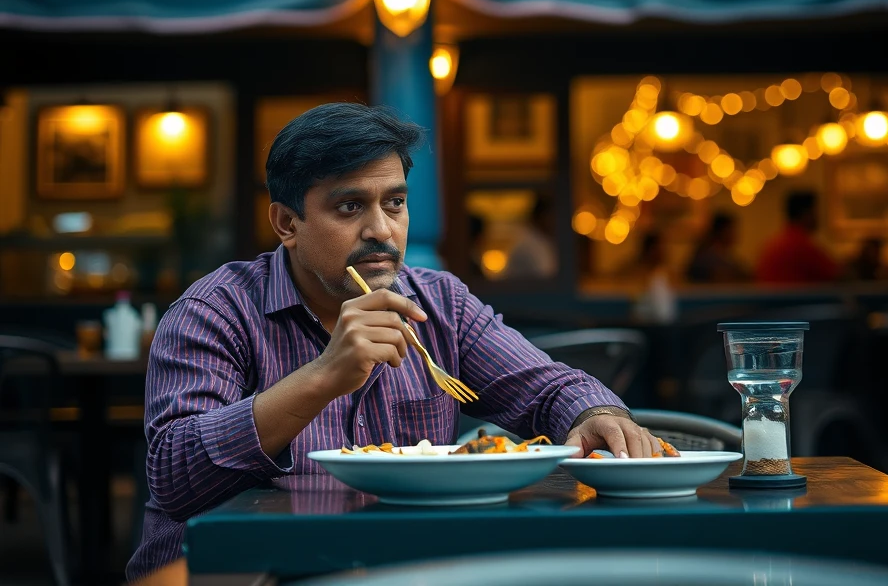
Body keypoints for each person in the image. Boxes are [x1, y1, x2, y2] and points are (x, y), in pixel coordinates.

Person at [127, 103, 662, 581]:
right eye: (349, 207)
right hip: (240, 571)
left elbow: (545, 390)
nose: (381, 230)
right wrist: (320, 378)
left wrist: (592, 411)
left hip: (401, 567)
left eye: (395, 203)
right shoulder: (214, 311)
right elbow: (176, 477)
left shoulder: (440, 304)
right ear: (287, 222)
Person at [755, 191, 840, 284]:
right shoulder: (801, 245)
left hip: (772, 298)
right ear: (806, 214)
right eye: (815, 212)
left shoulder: (773, 243)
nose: (819, 217)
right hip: (792, 298)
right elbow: (837, 275)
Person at [687, 213, 746, 284]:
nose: (735, 234)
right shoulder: (706, 258)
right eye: (731, 230)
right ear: (722, 232)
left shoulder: (726, 257)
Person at [633, 231, 676, 324]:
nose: (664, 250)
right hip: (650, 328)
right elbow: (664, 314)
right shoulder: (643, 276)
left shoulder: (663, 275)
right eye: (660, 247)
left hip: (659, 328)